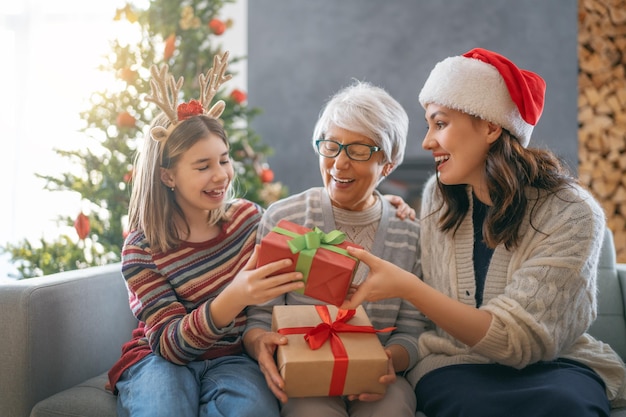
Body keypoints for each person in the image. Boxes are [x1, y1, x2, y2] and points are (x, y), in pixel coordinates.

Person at [107, 54, 416, 417]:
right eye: (203, 166)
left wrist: (385, 200)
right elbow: (170, 346)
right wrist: (235, 297)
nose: (221, 175)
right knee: (165, 407)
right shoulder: (142, 248)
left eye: (224, 160)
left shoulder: (249, 219)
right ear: (168, 176)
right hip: (163, 358)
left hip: (232, 361)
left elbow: (321, 215)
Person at [340, 48, 626, 417]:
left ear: (491, 126)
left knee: (564, 406)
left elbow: (515, 339)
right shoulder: (437, 197)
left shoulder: (572, 212)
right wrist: (389, 215)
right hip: (456, 366)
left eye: (440, 124)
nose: (427, 142)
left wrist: (406, 285)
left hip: (557, 366)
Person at [243, 80, 430, 417]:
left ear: (387, 165)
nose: (339, 163)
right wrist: (261, 345)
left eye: (359, 151)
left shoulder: (410, 235)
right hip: (304, 376)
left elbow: (413, 331)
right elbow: (257, 315)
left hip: (378, 381)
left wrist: (389, 361)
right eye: (331, 146)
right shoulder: (285, 218)